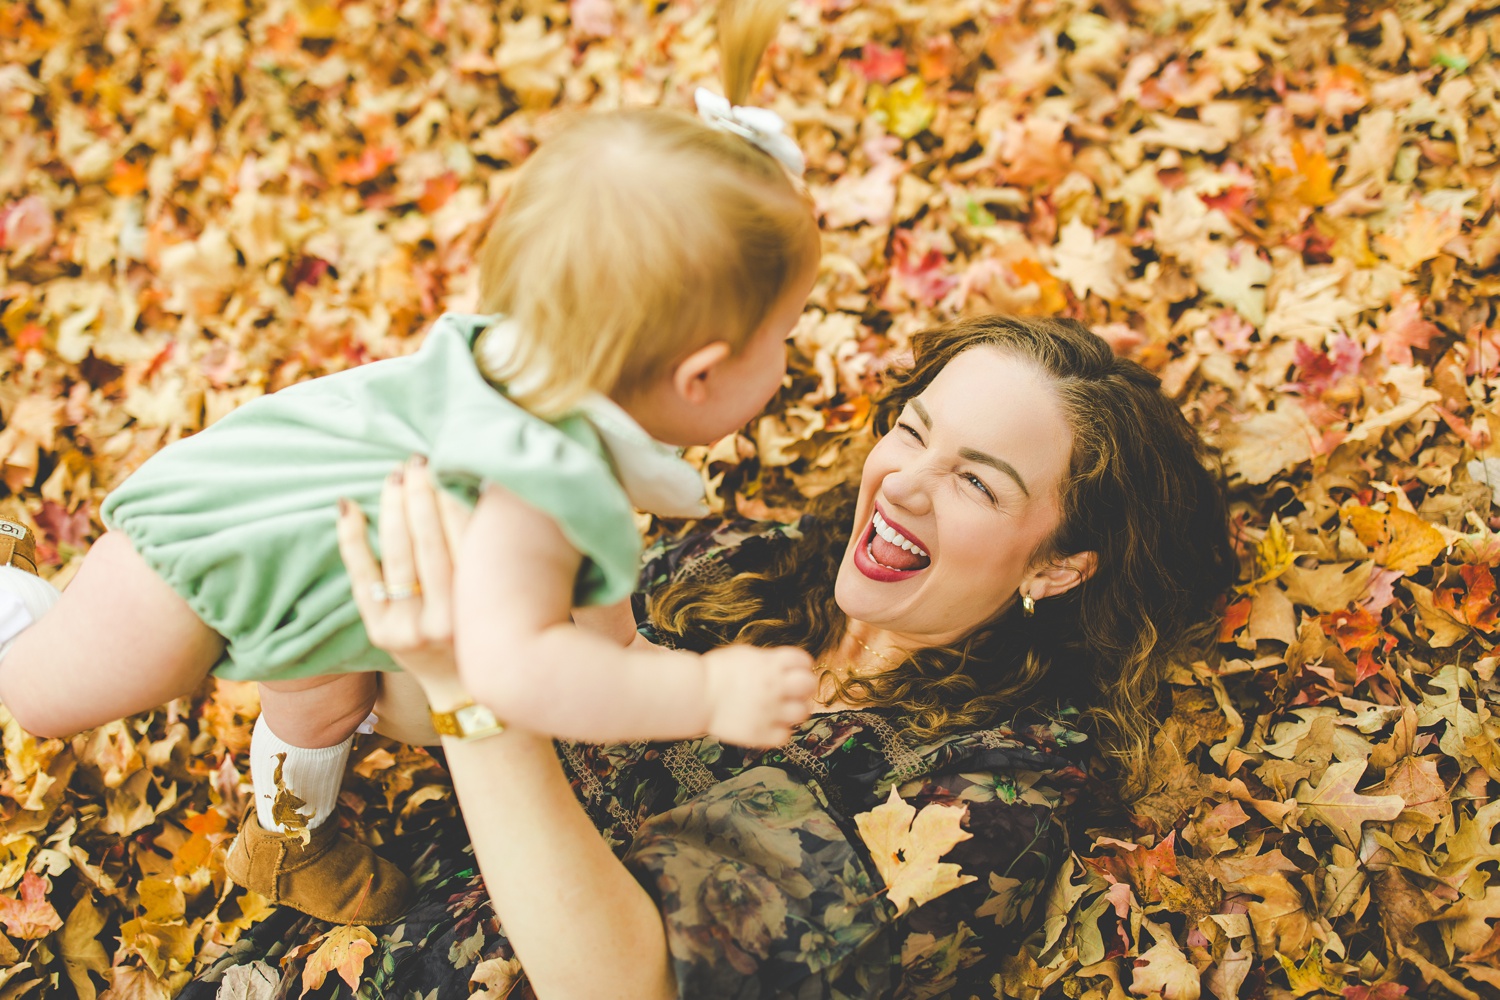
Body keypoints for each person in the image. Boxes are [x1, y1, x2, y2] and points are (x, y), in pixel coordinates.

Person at [0, 0, 821, 926]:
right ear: (698, 375)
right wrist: (703, 692)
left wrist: (620, 646)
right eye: (784, 337)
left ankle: (287, 843)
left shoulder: (569, 370)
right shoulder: (534, 484)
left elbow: (585, 588)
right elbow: (516, 673)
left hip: (325, 577)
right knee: (39, 691)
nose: (788, 360)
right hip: (208, 553)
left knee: (324, 699)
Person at [185, 314, 1237, 999]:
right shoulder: (752, 568)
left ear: (1057, 565)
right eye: (913, 431)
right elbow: (460, 721)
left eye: (977, 481)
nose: (906, 483)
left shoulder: (985, 798)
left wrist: (470, 691)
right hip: (317, 959)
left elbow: (625, 983)